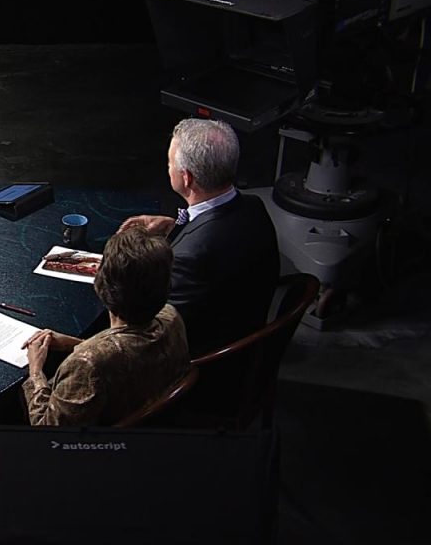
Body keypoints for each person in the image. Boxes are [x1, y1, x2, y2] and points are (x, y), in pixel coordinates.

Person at [118, 118, 280, 355]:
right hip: (244, 330)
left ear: (187, 178)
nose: (168, 168)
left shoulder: (189, 257)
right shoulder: (253, 207)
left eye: (170, 163)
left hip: (200, 360)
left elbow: (152, 332)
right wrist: (174, 227)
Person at [22, 227, 189, 427]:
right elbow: (130, 349)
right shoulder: (171, 316)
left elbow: (47, 430)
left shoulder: (86, 365)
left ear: (102, 284)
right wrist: (79, 344)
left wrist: (36, 372)